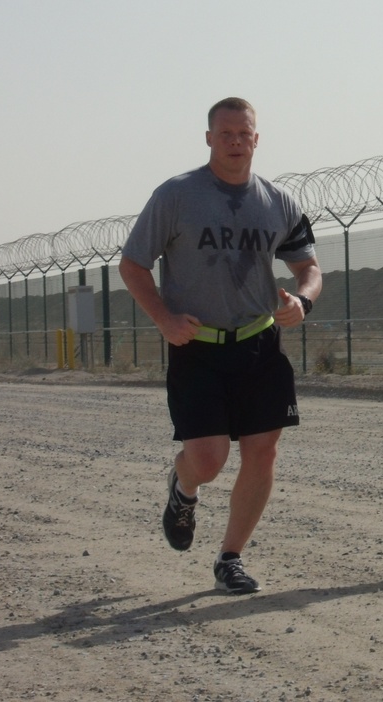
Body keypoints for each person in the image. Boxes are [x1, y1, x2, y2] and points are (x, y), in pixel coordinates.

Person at [119, 97, 322, 594]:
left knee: (262, 453)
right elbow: (133, 264)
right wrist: (164, 320)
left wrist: (303, 301)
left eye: (244, 133)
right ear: (208, 138)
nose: (235, 141)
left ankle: (230, 557)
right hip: (197, 346)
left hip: (258, 344)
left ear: (257, 138)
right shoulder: (177, 195)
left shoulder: (278, 202)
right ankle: (183, 487)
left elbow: (309, 269)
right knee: (207, 461)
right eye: (225, 133)